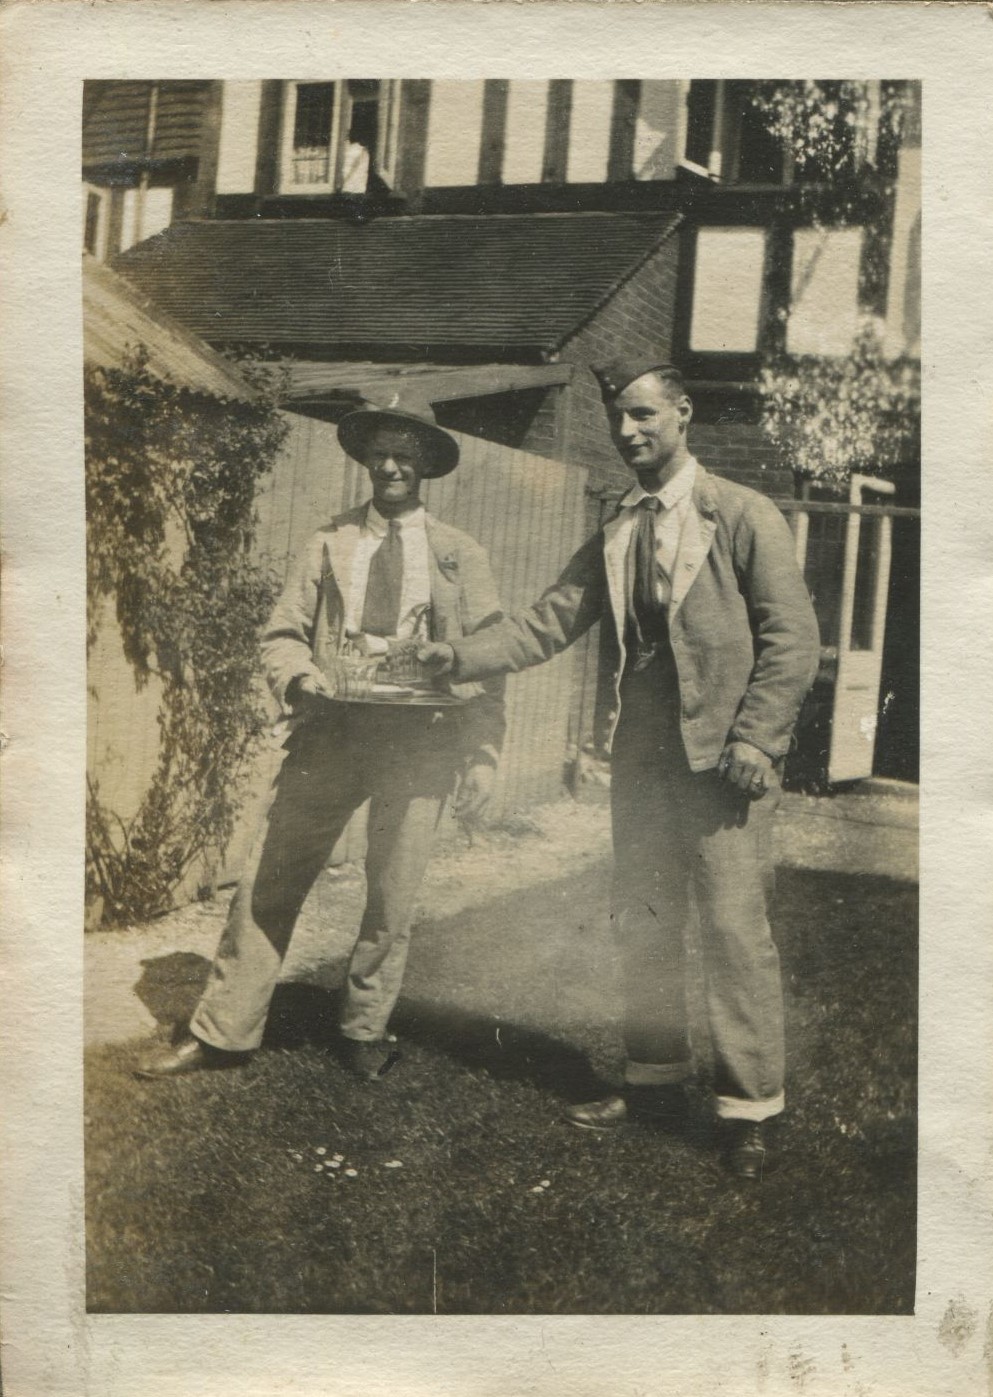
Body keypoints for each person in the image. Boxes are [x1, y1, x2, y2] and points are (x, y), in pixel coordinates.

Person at [418, 358, 820, 1180]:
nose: (628, 432)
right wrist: (453, 654)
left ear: (682, 413)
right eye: (618, 420)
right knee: (641, 919)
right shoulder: (616, 531)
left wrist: (753, 739)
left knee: (734, 932)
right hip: (640, 763)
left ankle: (748, 1112)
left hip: (722, 766)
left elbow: (792, 640)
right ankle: (653, 1084)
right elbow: (543, 623)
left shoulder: (741, 515)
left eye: (643, 416)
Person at [137, 396, 505, 1082]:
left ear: (425, 462)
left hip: (420, 739)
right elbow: (281, 633)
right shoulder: (329, 541)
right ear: (366, 460)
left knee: (392, 892)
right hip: (331, 731)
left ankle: (363, 1028)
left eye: (404, 453)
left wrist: (482, 751)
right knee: (268, 880)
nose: (390, 465)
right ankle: (222, 1031)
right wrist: (302, 679)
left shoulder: (459, 555)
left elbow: (491, 655)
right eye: (380, 452)